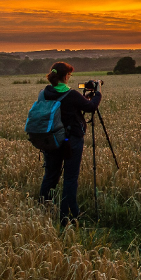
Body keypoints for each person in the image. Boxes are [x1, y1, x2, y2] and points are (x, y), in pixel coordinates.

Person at [38, 61, 101, 226]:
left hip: (50, 140)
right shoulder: (71, 94)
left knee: (50, 175)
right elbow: (91, 108)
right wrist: (98, 94)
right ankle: (67, 216)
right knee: (70, 178)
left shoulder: (44, 93)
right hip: (70, 141)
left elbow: (66, 107)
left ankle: (43, 209)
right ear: (65, 76)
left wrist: (83, 99)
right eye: (69, 75)